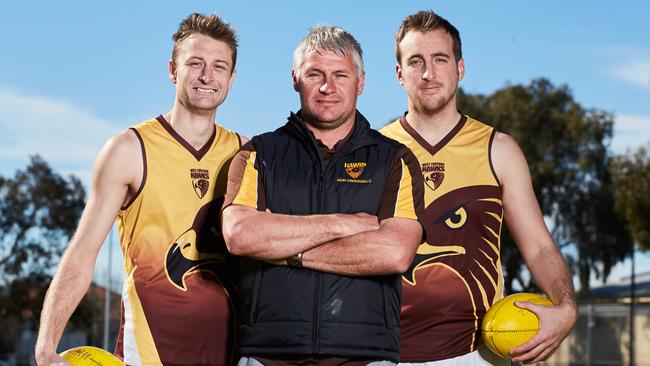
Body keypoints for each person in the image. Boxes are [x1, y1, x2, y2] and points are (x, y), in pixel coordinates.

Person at [35, 13, 243, 366]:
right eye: (195, 63)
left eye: (219, 66)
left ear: (231, 78)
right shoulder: (129, 150)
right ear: (173, 70)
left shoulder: (245, 154)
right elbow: (83, 252)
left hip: (231, 353)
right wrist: (45, 347)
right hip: (146, 355)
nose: (207, 76)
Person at [380, 10, 578, 365]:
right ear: (399, 74)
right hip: (380, 351)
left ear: (460, 68)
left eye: (440, 59)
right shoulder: (374, 150)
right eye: (415, 62)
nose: (428, 73)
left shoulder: (499, 149)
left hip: (475, 354)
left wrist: (566, 306)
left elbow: (538, 246)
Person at [221, 25, 425, 365]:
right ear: (295, 79)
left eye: (340, 75)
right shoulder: (259, 153)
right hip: (268, 353)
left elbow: (394, 252)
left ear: (360, 82)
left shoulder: (394, 159)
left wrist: (286, 250)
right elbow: (241, 235)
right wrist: (341, 224)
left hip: (366, 355)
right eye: (315, 74)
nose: (328, 87)